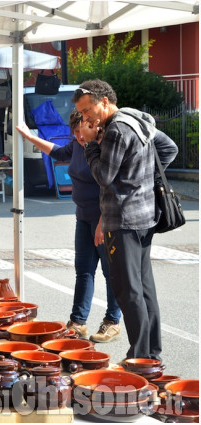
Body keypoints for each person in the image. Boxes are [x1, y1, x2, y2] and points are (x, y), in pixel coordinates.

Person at [72, 79, 178, 360]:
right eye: (82, 114)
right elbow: (169, 148)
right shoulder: (136, 118)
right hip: (145, 217)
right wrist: (143, 179)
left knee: (127, 290)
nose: (86, 118)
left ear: (104, 101)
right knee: (144, 289)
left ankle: (140, 356)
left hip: (124, 219)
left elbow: (104, 176)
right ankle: (151, 353)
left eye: (88, 110)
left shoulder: (116, 129)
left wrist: (90, 146)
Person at [16, 110, 122, 343]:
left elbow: (110, 188)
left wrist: (102, 224)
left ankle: (113, 321)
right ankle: (78, 322)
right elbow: (55, 151)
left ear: (94, 128)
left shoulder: (103, 149)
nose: (79, 136)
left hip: (103, 219)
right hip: (83, 217)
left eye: (82, 131)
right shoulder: (75, 146)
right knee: (83, 270)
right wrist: (29, 137)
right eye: (75, 132)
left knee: (111, 272)